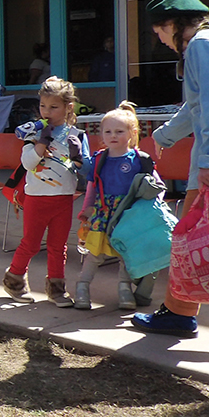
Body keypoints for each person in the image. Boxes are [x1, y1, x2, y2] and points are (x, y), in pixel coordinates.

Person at [133, 0, 209, 338]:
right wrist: (163, 136)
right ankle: (177, 310)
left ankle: (177, 313)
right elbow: (194, 108)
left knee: (189, 238)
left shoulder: (198, 46)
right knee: (191, 238)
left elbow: (208, 105)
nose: (161, 41)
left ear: (172, 25)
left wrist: (207, 162)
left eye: (160, 33)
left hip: (206, 166)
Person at [3, 76, 89, 307]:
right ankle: (14, 281)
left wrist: (78, 156)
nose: (46, 111)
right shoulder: (32, 132)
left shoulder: (77, 135)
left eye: (53, 107)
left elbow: (87, 170)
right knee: (30, 243)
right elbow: (29, 163)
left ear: (68, 107)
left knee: (58, 246)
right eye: (43, 106)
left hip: (63, 199)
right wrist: (41, 141)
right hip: (36, 198)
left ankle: (57, 290)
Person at [74, 102, 158, 310]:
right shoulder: (99, 159)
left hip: (129, 214)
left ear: (132, 133)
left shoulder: (140, 160)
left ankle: (124, 289)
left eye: (119, 131)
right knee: (94, 252)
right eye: (108, 131)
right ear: (101, 134)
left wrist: (149, 209)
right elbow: (92, 186)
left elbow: (157, 186)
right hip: (103, 213)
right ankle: (82, 287)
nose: (113, 135)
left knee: (124, 253)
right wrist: (87, 208)